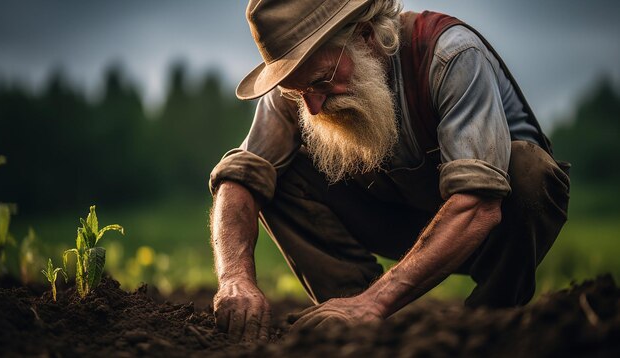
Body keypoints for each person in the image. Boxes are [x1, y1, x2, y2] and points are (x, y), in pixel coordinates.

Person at [208, 0, 570, 342]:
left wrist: (375, 302)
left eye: (321, 81)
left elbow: (478, 204)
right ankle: (350, 321)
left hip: (488, 229)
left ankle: (491, 325)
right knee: (272, 176)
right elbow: (238, 177)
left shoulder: (451, 56)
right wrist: (233, 278)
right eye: (299, 90)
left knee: (529, 169)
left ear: (366, 35)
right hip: (396, 217)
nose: (313, 107)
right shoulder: (303, 86)